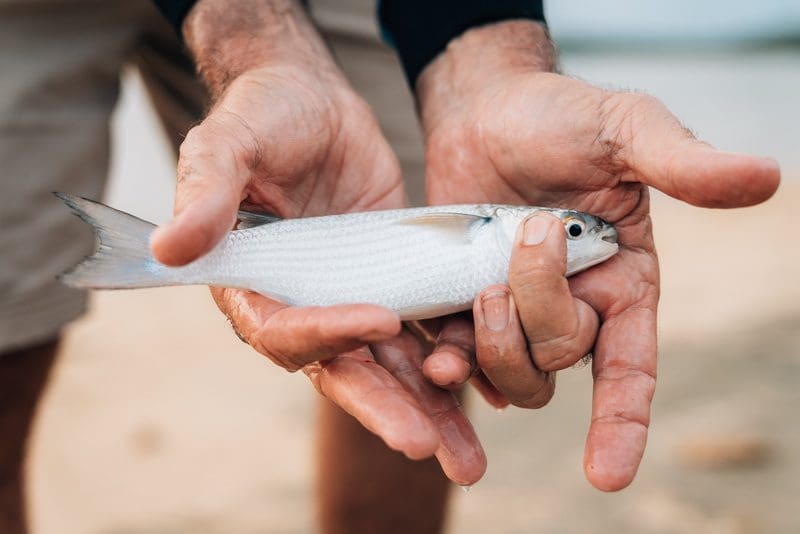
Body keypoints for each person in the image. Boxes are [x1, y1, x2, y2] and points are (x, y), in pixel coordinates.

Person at [0, 1, 780, 534]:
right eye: (578, 231)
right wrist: (251, 30)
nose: (589, 238)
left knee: (401, 385)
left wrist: (480, 45)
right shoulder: (491, 230)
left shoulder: (497, 221)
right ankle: (142, 258)